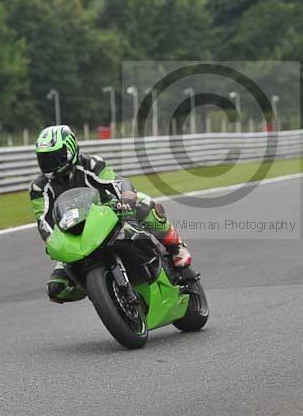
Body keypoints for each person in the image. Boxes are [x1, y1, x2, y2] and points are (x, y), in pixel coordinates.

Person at [29, 125, 192, 304]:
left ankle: (176, 247)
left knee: (143, 203)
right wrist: (51, 240)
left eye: (55, 156)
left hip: (109, 216)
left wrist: (126, 197)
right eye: (44, 158)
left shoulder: (91, 164)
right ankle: (102, 294)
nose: (49, 163)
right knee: (56, 288)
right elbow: (43, 218)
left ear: (71, 149)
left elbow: (115, 182)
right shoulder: (39, 187)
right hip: (76, 237)